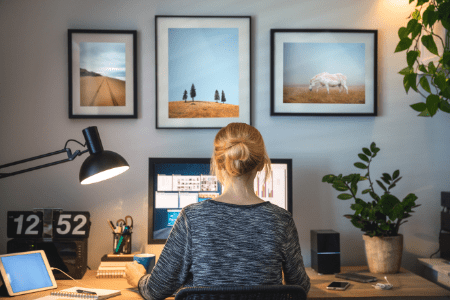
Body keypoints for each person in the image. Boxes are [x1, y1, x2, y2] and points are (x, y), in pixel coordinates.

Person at [125, 122, 310, 300]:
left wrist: (139, 279)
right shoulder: (281, 219)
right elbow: (300, 287)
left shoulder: (191, 217)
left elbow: (156, 290)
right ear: (261, 164)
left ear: (219, 164)